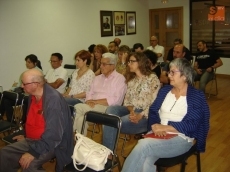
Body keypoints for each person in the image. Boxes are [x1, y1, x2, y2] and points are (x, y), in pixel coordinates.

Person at [122, 58, 210, 172]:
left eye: (173, 72)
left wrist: (165, 127)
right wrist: (154, 125)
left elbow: (193, 124)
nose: (169, 75)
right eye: (169, 72)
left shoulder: (196, 96)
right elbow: (153, 111)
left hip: (181, 137)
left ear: (184, 76)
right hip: (158, 134)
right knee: (146, 159)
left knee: (144, 145)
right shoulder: (165, 91)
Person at [0, 69, 73, 172]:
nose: (21, 86)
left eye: (24, 83)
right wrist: (26, 135)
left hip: (51, 144)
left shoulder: (53, 101)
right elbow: (34, 120)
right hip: (33, 140)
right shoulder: (33, 96)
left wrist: (33, 153)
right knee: (5, 154)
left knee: (29, 165)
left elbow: (54, 135)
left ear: (36, 84)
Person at [103, 52, 160, 150]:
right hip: (132, 110)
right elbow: (127, 102)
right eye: (128, 61)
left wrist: (139, 115)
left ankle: (107, 153)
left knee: (112, 122)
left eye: (132, 61)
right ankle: (108, 152)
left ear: (141, 62)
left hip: (146, 114)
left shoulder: (152, 78)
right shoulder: (132, 80)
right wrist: (132, 111)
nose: (128, 64)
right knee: (111, 110)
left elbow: (154, 104)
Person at [73, 52, 127, 135]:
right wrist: (89, 100)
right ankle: (78, 143)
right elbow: (89, 93)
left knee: (77, 108)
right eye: (101, 63)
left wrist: (95, 102)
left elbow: (116, 100)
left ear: (113, 66)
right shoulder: (97, 78)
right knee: (81, 119)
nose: (101, 66)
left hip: (108, 109)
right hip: (91, 106)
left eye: (104, 64)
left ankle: (69, 140)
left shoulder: (120, 79)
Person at [0, 54, 43, 122]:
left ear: (35, 63)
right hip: (24, 94)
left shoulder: (37, 72)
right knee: (6, 101)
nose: (27, 64)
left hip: (28, 96)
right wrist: (13, 88)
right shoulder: (28, 72)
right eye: (26, 62)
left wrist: (14, 88)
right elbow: (21, 84)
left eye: (29, 62)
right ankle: (11, 121)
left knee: (4, 93)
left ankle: (0, 114)